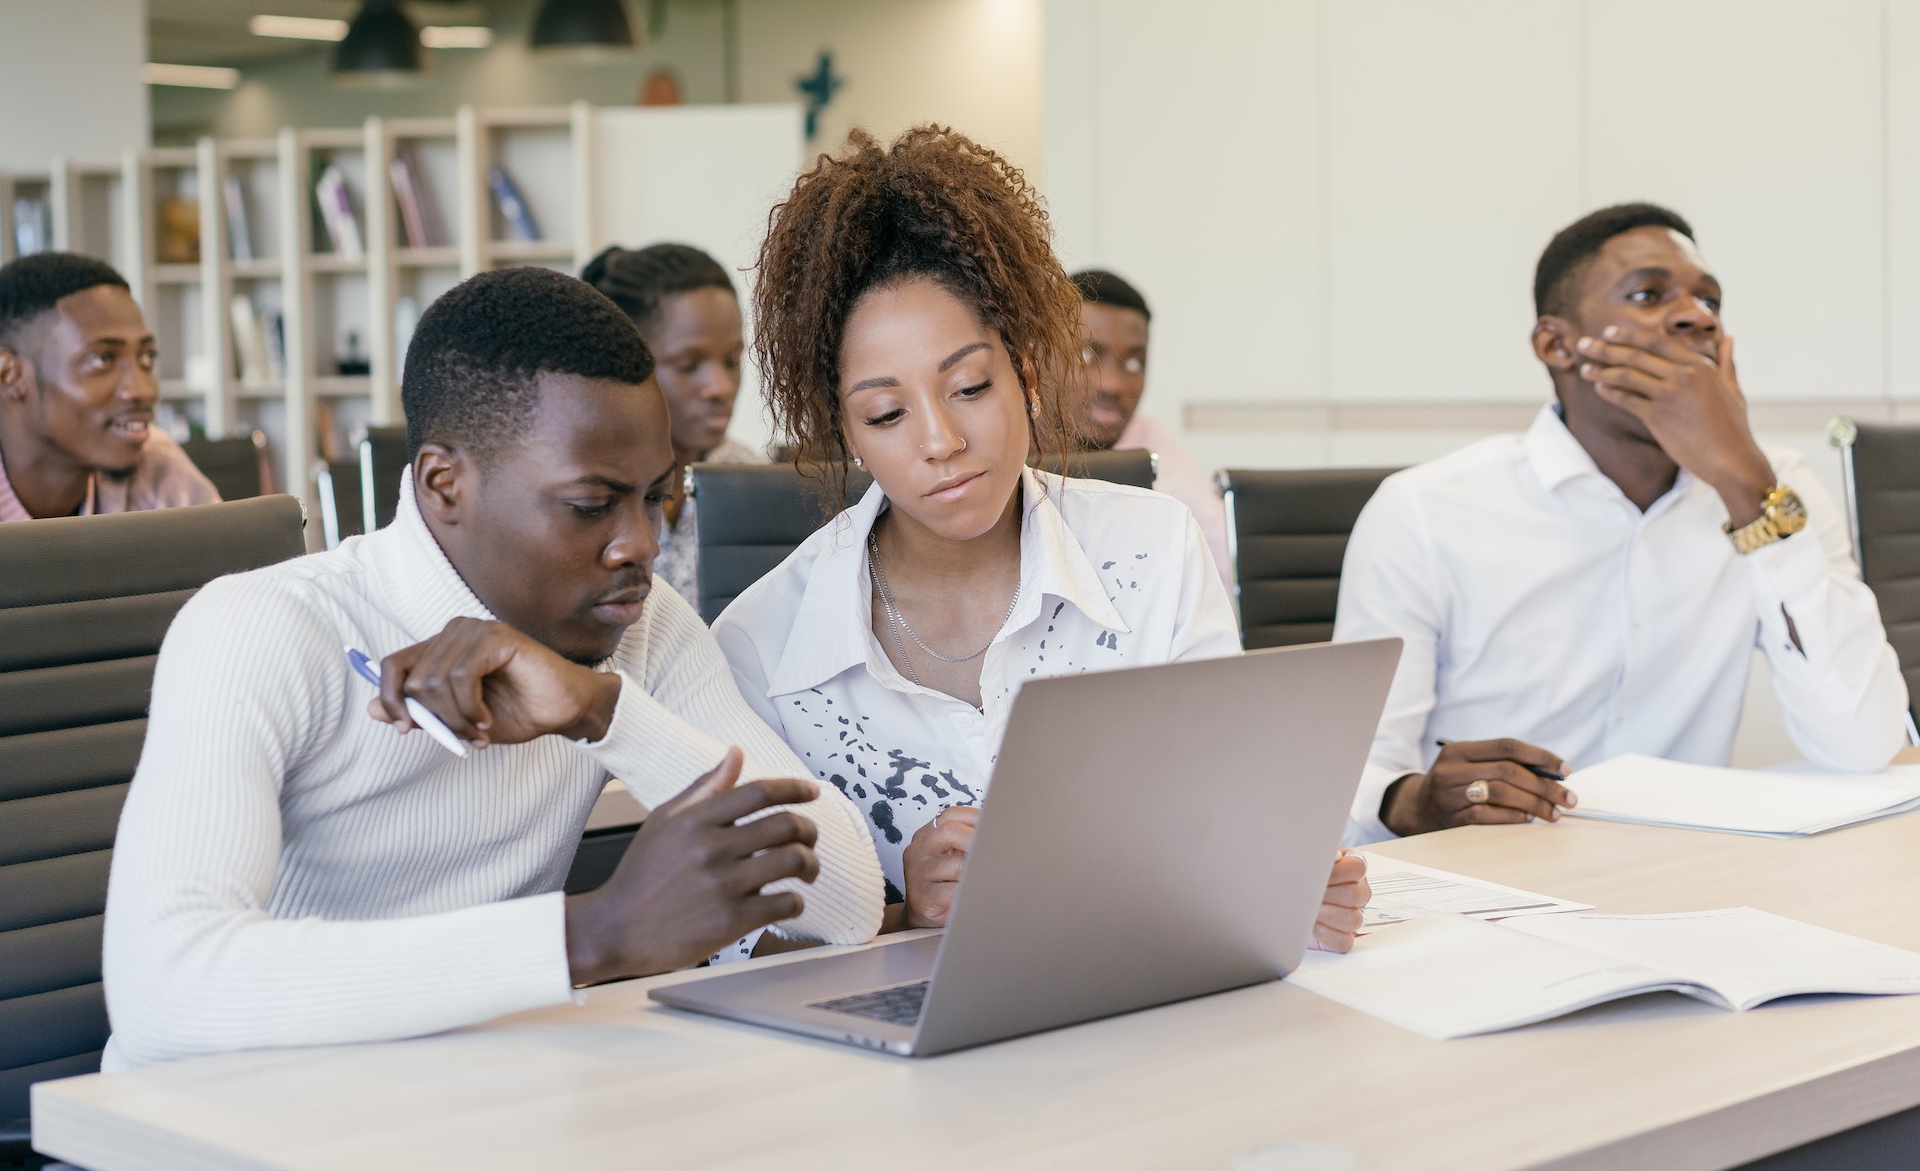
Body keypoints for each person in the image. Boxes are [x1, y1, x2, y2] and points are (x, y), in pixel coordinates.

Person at [103, 267, 884, 1068]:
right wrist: (594, 934)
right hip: (231, 1119)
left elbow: (848, 902)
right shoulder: (264, 629)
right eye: (591, 506)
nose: (642, 545)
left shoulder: (638, 623)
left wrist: (600, 712)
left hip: (471, 1100)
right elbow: (165, 991)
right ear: (446, 484)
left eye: (658, 497)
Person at [712, 126, 1368, 951]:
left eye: (970, 386)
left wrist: (1289, 877)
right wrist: (901, 916)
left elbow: (1237, 805)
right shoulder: (762, 645)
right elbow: (746, 948)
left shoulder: (1152, 548)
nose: (941, 439)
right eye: (886, 414)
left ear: (1025, 367)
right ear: (842, 428)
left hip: (1153, 1003)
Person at [1335, 203, 1909, 842]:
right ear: (1556, 345)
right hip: (1487, 880)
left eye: (1710, 302)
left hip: (1682, 870)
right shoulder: (1424, 510)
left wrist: (1747, 488)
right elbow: (1351, 777)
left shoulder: (1775, 489)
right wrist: (1414, 801)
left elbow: (1860, 743)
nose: (1698, 316)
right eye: (1648, 295)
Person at [583, 243, 763, 604]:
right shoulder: (585, 492)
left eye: (731, 360)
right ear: (626, 363)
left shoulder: (752, 482)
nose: (721, 387)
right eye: (687, 365)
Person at [0, 250, 216, 519]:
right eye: (102, 359)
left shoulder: (158, 466)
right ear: (10, 374)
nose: (143, 390)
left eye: (146, 357)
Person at [1069, 268, 1232, 589]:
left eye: (1134, 363)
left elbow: (1222, 567)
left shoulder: (1150, 447)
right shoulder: (1002, 445)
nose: (1113, 384)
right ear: (1038, 355)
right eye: (1087, 356)